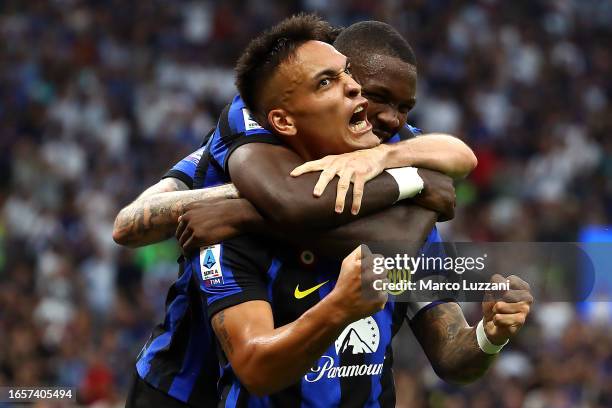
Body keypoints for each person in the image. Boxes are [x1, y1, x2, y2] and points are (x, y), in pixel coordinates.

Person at [115, 16, 496, 407]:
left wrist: (393, 164)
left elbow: (452, 169)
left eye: (404, 107)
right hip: (185, 383)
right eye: (372, 94)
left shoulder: (386, 139)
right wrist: (235, 203)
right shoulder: (250, 127)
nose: (390, 118)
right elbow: (129, 226)